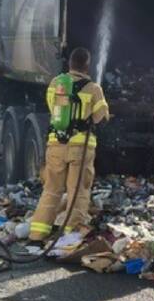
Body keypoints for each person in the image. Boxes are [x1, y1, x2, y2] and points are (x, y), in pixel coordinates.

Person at [29, 47, 110, 243]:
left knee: (51, 189)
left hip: (56, 144)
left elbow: (53, 108)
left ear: (70, 64)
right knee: (78, 191)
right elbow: (101, 117)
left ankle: (37, 233)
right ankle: (69, 236)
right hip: (80, 148)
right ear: (87, 66)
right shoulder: (93, 88)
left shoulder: (56, 84)